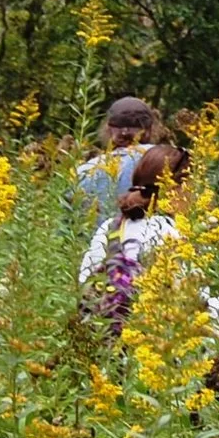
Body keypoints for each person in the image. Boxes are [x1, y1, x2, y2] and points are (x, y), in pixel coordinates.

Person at [78, 141, 188, 334]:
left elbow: (85, 281)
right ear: (175, 189)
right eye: (192, 186)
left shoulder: (111, 226)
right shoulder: (171, 233)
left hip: (103, 337)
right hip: (149, 342)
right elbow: (187, 301)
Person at [75, 96, 161, 219]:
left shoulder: (84, 171)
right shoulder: (170, 160)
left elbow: (66, 221)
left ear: (108, 129)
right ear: (149, 130)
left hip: (99, 237)